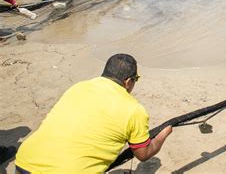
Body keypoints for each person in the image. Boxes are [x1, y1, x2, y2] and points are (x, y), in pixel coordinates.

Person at [15, 54, 173, 173]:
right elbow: (143, 154)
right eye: (135, 79)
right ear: (128, 81)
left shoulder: (78, 87)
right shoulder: (133, 109)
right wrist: (164, 133)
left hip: (24, 161)